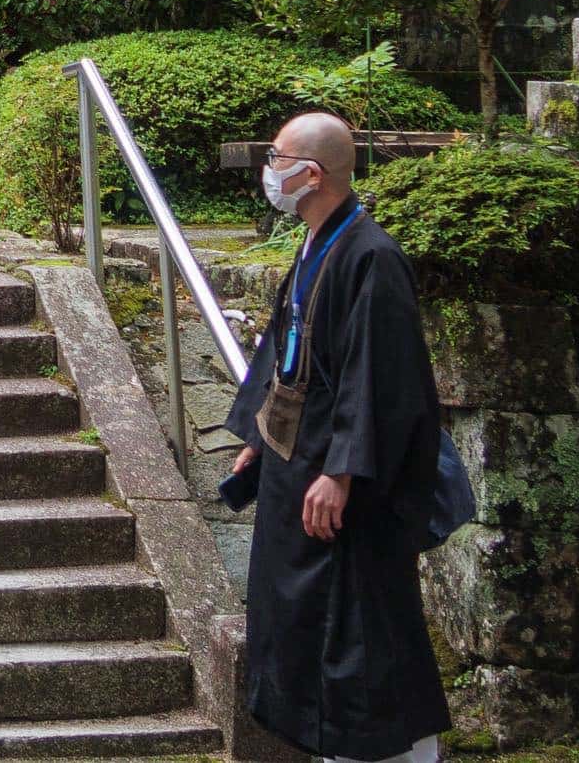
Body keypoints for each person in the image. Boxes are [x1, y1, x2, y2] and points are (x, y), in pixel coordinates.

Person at [224, 111, 451, 763]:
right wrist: (262, 439)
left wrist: (342, 472)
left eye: (277, 157)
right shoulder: (316, 240)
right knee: (303, 631)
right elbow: (285, 356)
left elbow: (380, 379)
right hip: (303, 464)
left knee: (362, 634)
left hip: (348, 490)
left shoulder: (372, 256)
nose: (270, 169)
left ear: (311, 174)